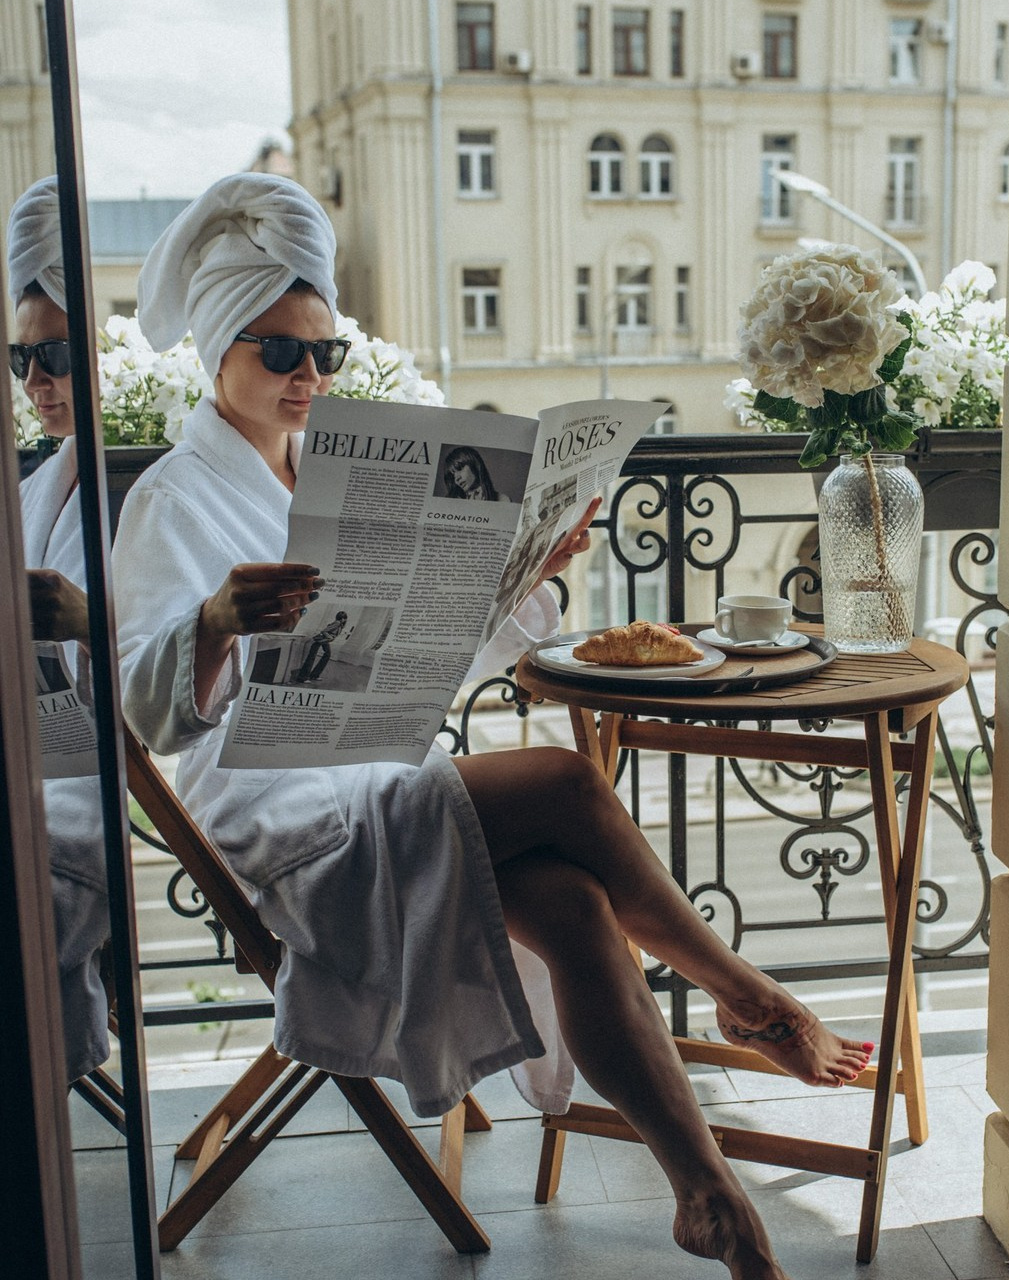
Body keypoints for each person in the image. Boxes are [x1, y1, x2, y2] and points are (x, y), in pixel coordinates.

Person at [112, 174, 872, 1280]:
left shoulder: (322, 474)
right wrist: (219, 617)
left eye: (326, 353)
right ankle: (744, 990)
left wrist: (524, 567)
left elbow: (404, 662)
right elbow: (142, 712)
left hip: (377, 769)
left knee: (571, 904)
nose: (310, 377)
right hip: (278, 807)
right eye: (280, 353)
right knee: (565, 783)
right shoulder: (173, 499)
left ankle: (704, 1194)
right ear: (216, 349)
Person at [8, 176, 112, 1083]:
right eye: (22, 362)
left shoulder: (145, 483)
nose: (39, 382)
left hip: (114, 776)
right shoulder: (35, 491)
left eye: (57, 357)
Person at [292, 609, 347, 683]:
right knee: (312, 657)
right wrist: (330, 637)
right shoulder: (337, 623)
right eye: (342, 618)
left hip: (324, 641)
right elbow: (324, 631)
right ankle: (303, 678)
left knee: (327, 655)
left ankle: (314, 675)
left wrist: (330, 637)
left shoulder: (339, 625)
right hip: (320, 640)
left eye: (344, 618)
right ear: (340, 618)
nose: (343, 619)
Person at [442, 443, 508, 502]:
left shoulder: (503, 500)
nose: (456, 479)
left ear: (474, 465)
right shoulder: (449, 501)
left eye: (459, 469)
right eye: (453, 475)